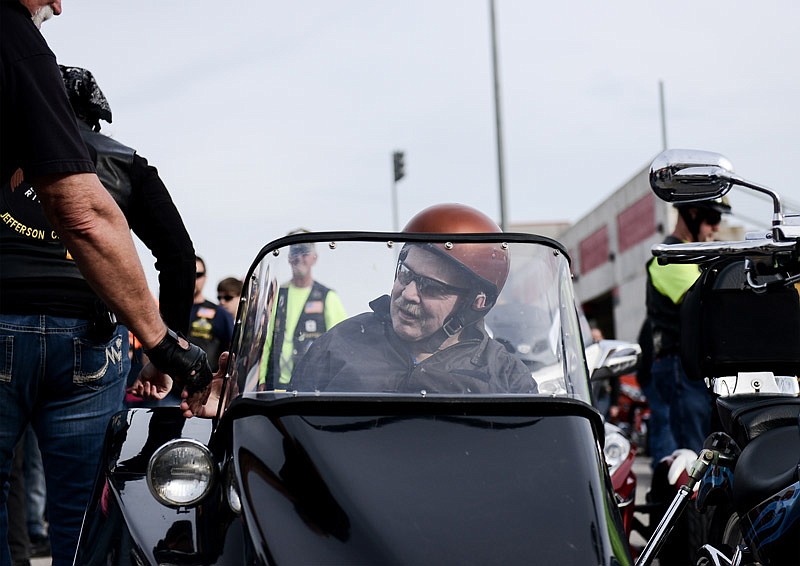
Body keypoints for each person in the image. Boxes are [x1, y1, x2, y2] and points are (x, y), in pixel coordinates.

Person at [0, 6, 210, 563]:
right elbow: (179, 257)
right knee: (82, 507)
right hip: (88, 345)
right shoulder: (126, 163)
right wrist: (166, 350)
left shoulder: (9, 150)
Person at [291, 204, 537, 394]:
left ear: (476, 303)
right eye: (406, 274)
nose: (408, 293)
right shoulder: (340, 343)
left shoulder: (505, 378)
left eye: (430, 287)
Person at [645, 198, 731, 459]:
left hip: (695, 369)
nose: (715, 229)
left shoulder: (696, 257)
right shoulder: (670, 257)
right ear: (692, 214)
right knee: (691, 456)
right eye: (712, 220)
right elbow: (710, 300)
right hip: (681, 367)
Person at [259, 232, 347, 387]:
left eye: (304, 251)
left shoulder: (328, 296)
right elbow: (264, 341)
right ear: (288, 257)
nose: (299, 257)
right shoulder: (277, 295)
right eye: (294, 251)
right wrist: (261, 380)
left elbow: (341, 344)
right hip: (277, 386)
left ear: (314, 258)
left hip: (312, 388)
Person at [189, 256, 234, 372]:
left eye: (198, 275)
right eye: (189, 273)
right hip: (169, 386)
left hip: (205, 384)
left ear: (205, 278)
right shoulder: (168, 311)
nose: (193, 279)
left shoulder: (220, 314)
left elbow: (233, 352)